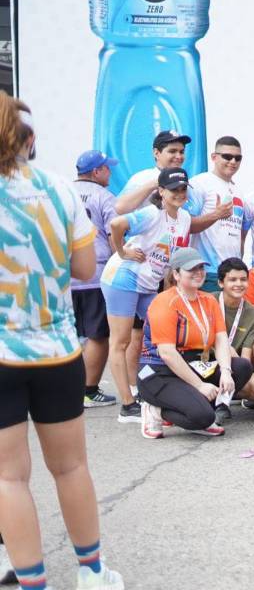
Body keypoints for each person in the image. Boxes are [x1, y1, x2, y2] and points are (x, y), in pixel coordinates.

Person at [0, 96, 125, 590]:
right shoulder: (58, 188)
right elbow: (81, 266)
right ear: (27, 138)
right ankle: (92, 574)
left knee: (9, 478)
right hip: (58, 349)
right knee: (71, 466)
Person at [100, 167, 218, 423]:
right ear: (161, 192)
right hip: (123, 278)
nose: (179, 193)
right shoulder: (152, 213)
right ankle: (128, 405)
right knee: (120, 342)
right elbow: (116, 223)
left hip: (148, 282)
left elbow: (172, 260)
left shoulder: (185, 218)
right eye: (173, 189)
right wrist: (121, 252)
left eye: (183, 189)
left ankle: (154, 389)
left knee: (160, 337)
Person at [136, 249, 253, 439]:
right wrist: (199, 386)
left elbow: (222, 339)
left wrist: (225, 371)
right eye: (192, 269)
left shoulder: (208, 300)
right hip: (159, 371)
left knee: (241, 367)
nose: (198, 272)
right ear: (176, 274)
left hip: (193, 365)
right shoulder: (164, 302)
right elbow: (167, 353)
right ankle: (155, 410)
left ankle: (191, 405)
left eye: (201, 268)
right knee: (203, 416)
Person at [71, 149, 120, 408]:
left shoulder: (62, 193)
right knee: (98, 335)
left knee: (69, 334)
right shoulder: (105, 197)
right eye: (107, 168)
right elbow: (115, 235)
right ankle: (88, 391)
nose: (110, 172)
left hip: (64, 276)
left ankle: (65, 389)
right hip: (95, 274)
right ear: (96, 171)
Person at [189, 135, 245, 292]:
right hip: (208, 272)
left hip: (233, 273)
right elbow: (186, 225)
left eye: (237, 158)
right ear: (214, 157)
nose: (233, 161)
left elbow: (239, 234)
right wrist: (216, 215)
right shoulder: (199, 183)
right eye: (227, 156)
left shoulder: (238, 190)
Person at [214, 258, 254, 424]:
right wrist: (226, 349)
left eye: (243, 279)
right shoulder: (208, 302)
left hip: (235, 366)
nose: (238, 284)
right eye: (232, 279)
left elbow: (246, 356)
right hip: (208, 361)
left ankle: (224, 397)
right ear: (221, 283)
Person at [114, 130, 190, 211]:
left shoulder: (184, 179)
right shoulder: (142, 178)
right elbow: (119, 208)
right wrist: (154, 184)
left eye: (181, 152)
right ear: (156, 153)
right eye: (172, 151)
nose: (179, 156)